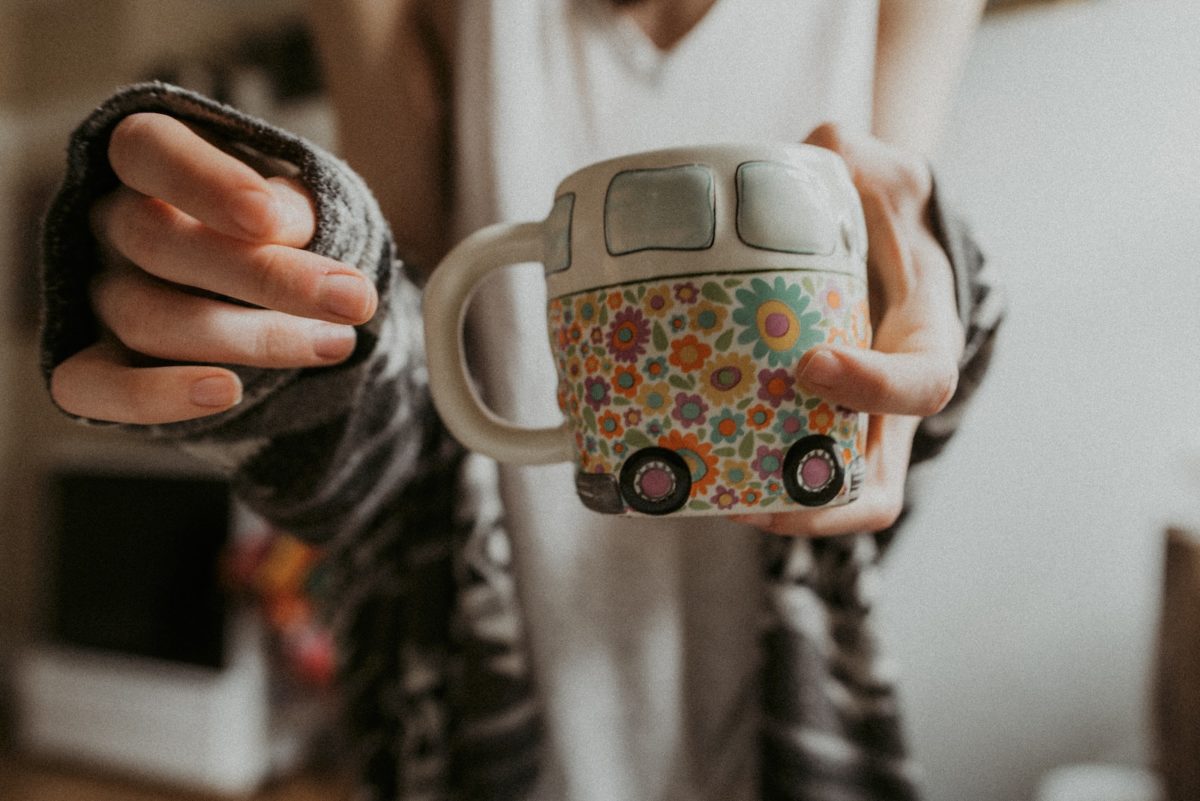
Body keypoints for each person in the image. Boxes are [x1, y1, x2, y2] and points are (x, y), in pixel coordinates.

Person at [40, 1, 1003, 799]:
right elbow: (398, 373)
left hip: (795, 732)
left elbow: (880, 335)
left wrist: (937, 278)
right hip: (468, 733)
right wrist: (279, 307)